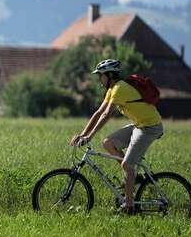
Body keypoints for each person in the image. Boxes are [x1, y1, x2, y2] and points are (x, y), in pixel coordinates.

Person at [69, 59, 164, 214]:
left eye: (101, 75)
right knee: (108, 143)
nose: (99, 79)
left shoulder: (120, 88)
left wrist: (90, 137)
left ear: (110, 75)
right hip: (138, 125)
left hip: (150, 127)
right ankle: (134, 177)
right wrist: (82, 134)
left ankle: (129, 206)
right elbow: (98, 113)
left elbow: (107, 115)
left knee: (126, 165)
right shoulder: (112, 89)